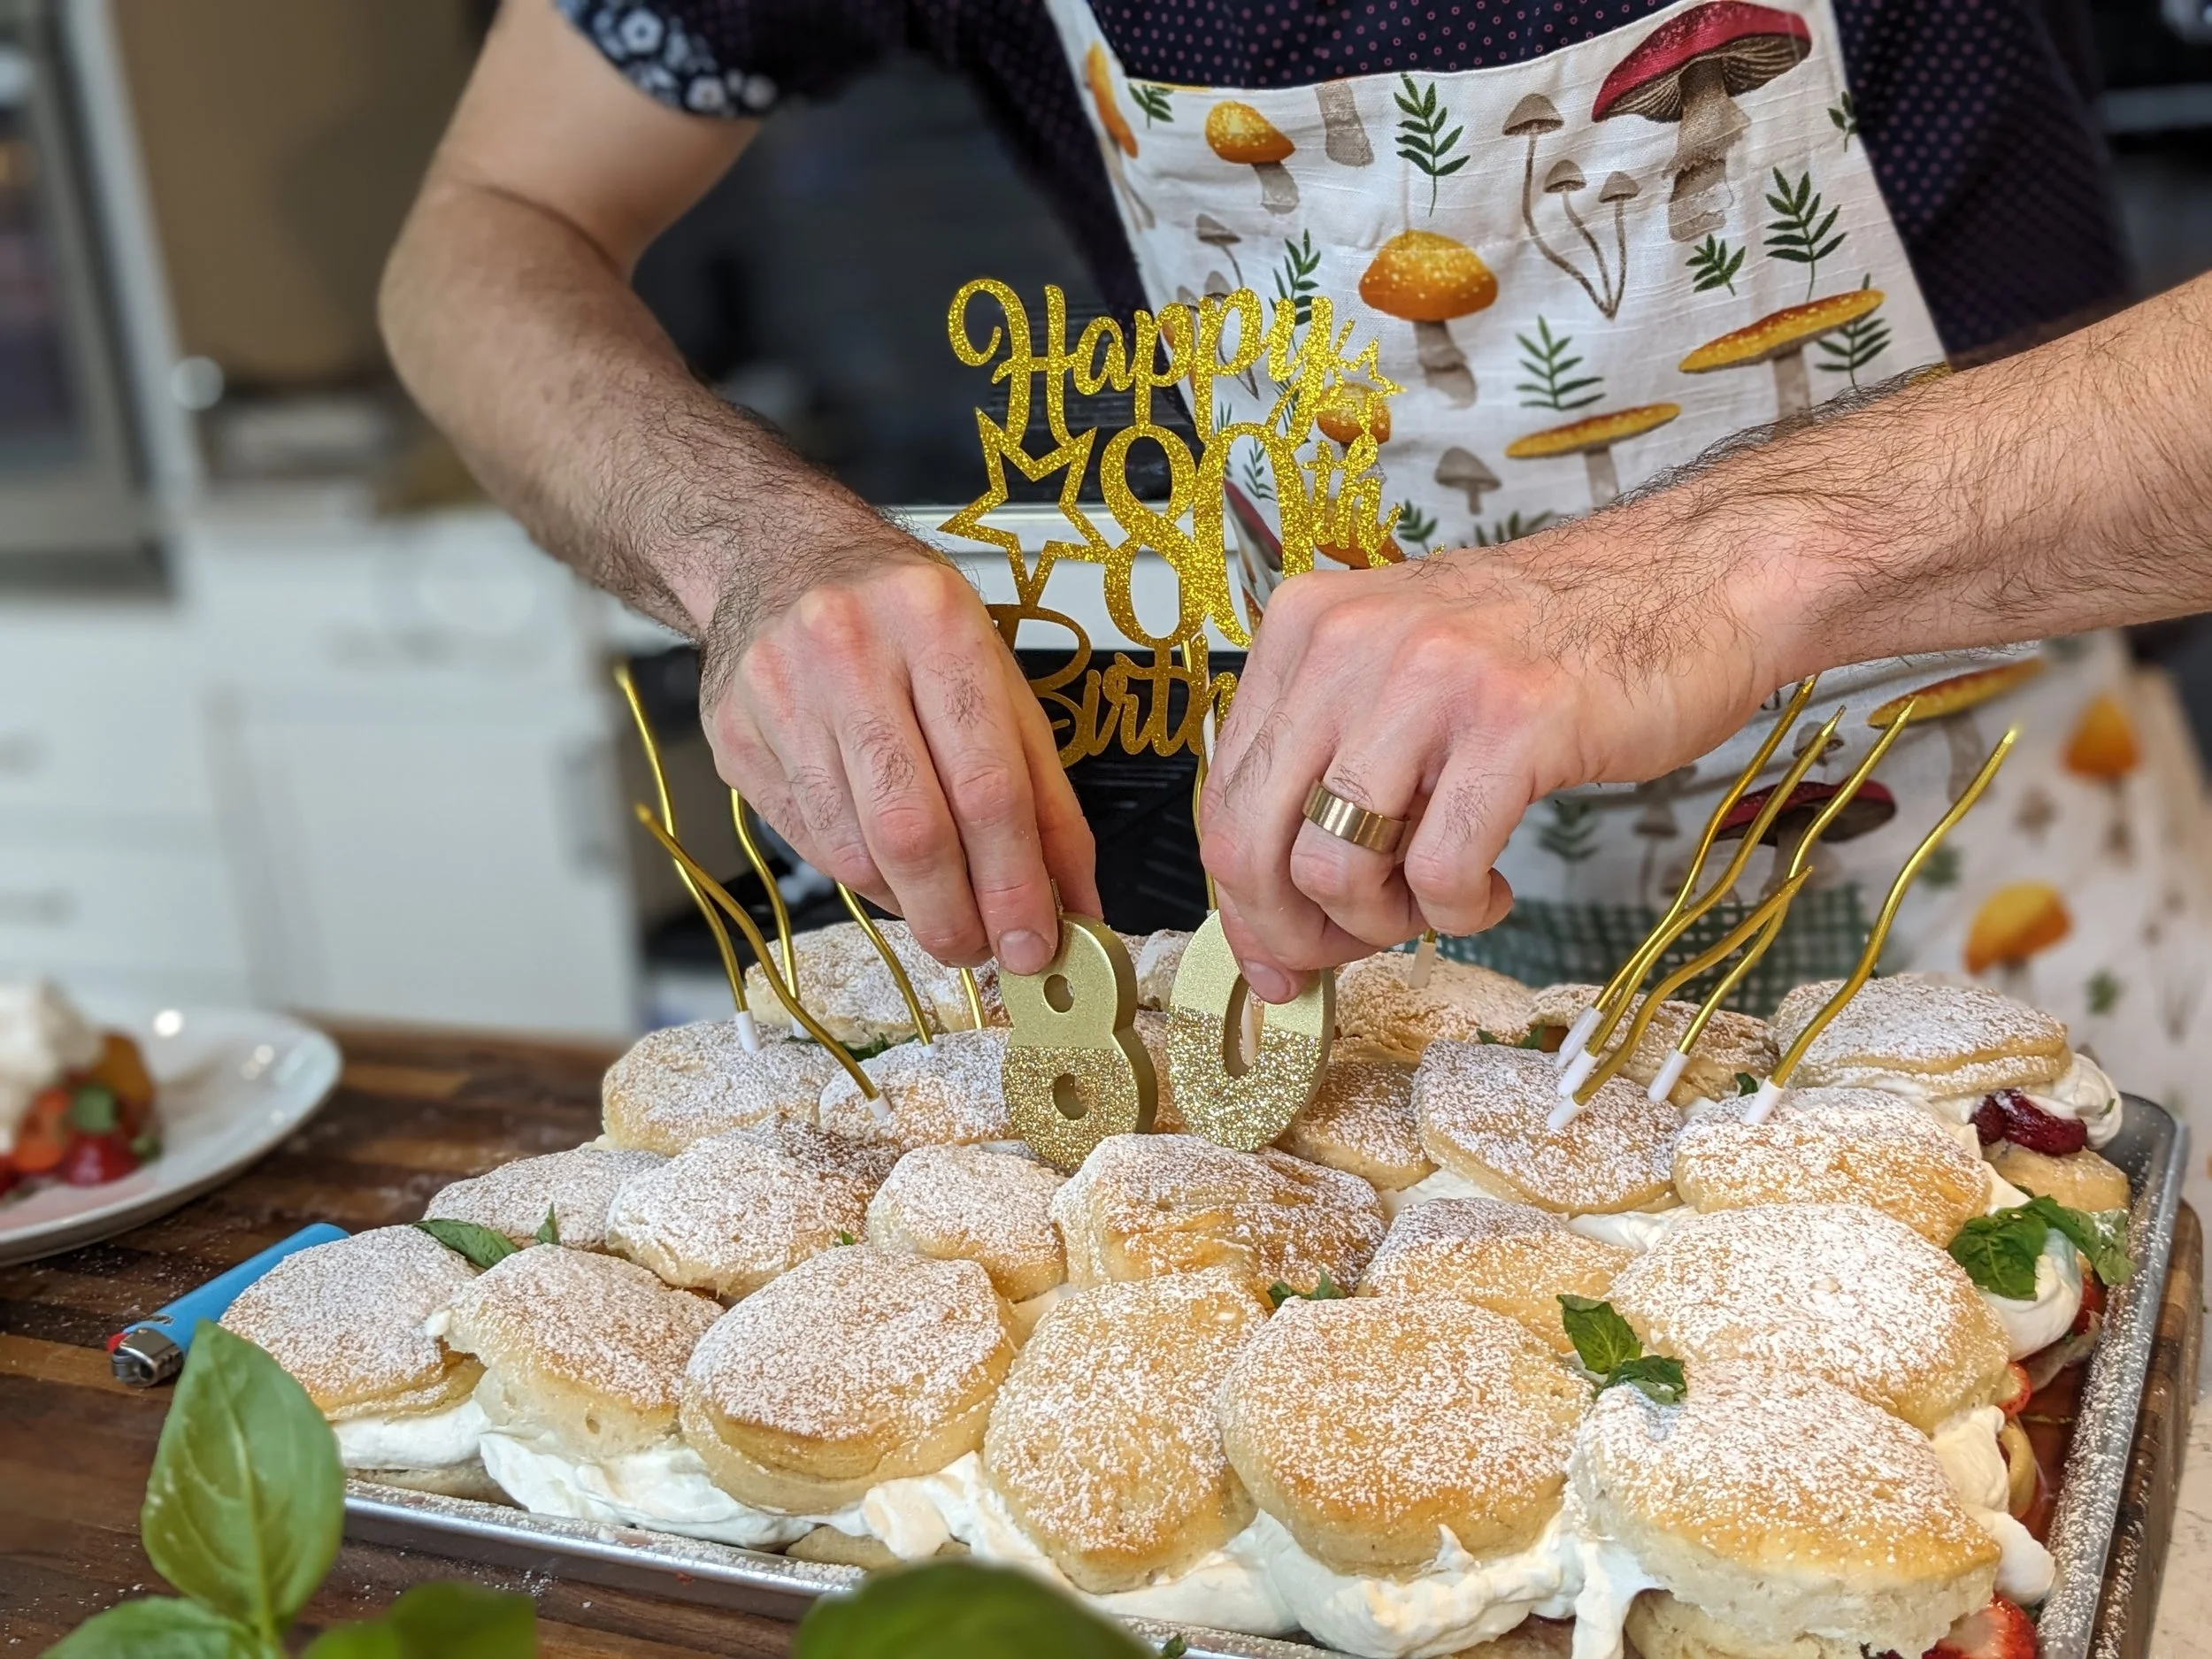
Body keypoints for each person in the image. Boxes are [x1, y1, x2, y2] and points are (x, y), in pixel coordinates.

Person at [382, 1, 2212, 1120]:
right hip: (1351, 971)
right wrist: (747, 542)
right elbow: (482, 233)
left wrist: (1706, 566)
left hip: (1986, 901)